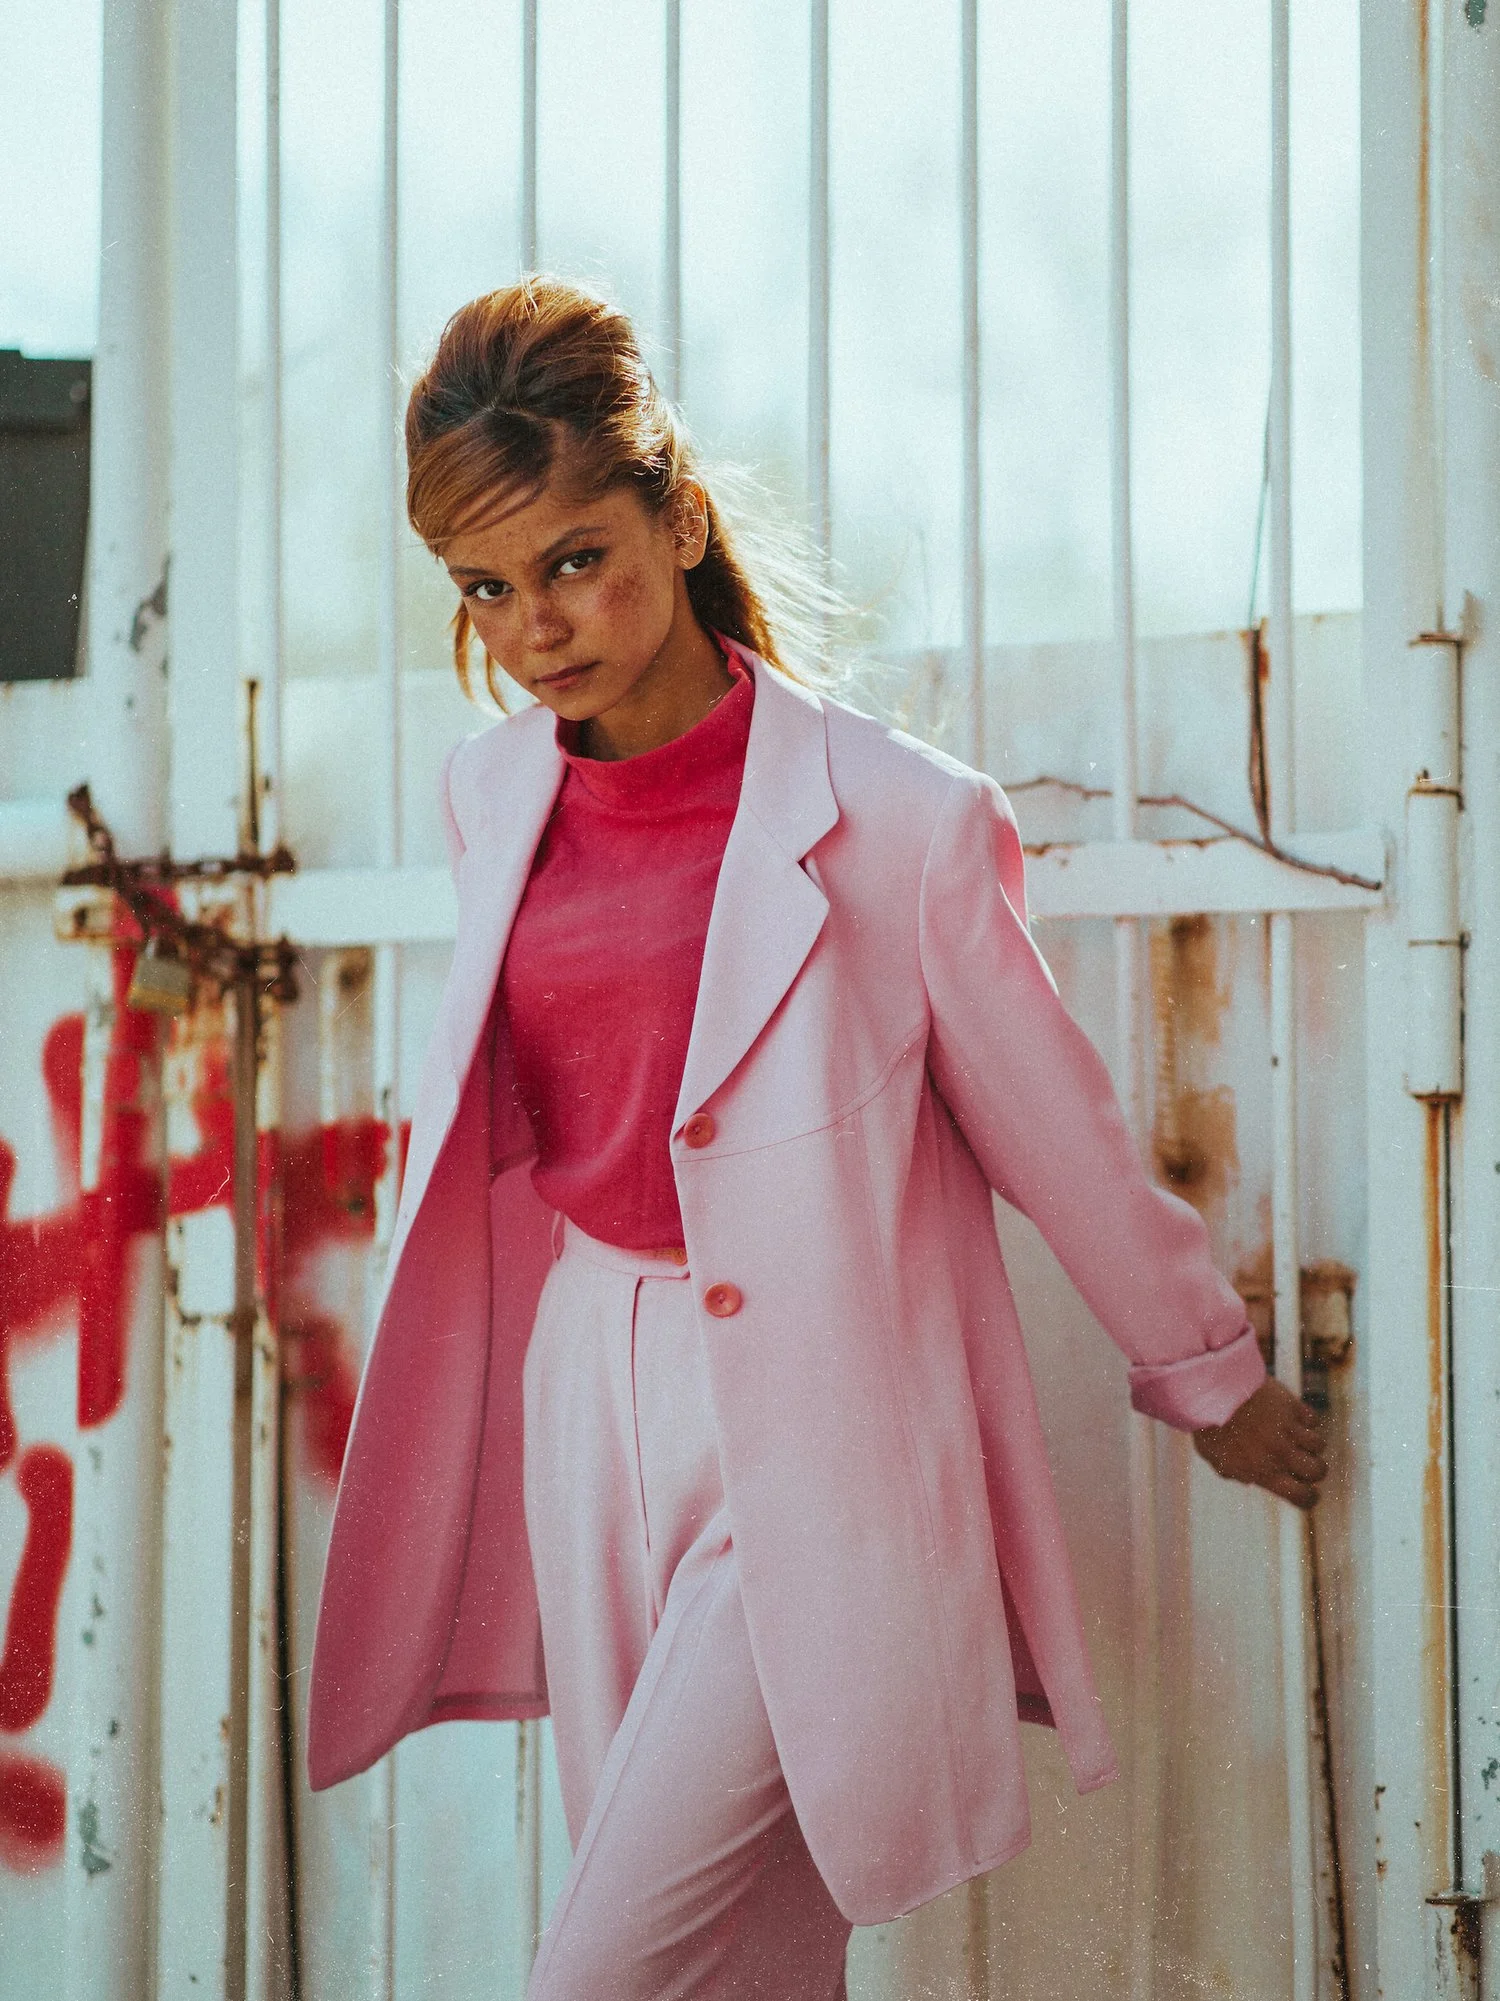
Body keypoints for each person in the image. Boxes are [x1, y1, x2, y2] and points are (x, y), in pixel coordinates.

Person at [306, 276, 1327, 1999]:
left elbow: (1051, 1131)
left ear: (676, 514)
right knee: (750, 1957)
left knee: (602, 1967)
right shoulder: (490, 798)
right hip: (589, 1400)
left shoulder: (900, 823)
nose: (533, 624)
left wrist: (1207, 1369)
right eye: (484, 588)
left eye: (573, 558)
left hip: (821, 1424)